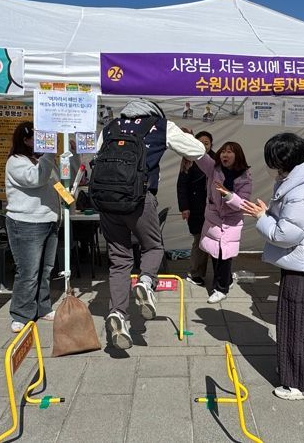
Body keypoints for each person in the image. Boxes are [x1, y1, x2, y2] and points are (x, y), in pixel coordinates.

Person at [97, 99, 205, 350]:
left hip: (107, 200)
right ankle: (146, 282)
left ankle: (117, 313)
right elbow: (198, 151)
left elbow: (98, 156)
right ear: (155, 112)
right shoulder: (161, 126)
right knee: (153, 246)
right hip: (140, 198)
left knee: (119, 259)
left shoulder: (111, 127)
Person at [240, 133, 304, 400]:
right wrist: (268, 213)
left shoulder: (300, 192)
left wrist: (261, 217)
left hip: (303, 268)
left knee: (300, 326)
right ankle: (293, 374)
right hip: (301, 264)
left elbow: (284, 235)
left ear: (281, 163)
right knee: (293, 323)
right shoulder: (298, 181)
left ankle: (302, 385)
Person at [4, 121, 79, 332]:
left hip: (49, 221)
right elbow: (35, 178)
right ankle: (21, 313)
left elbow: (63, 179)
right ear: (25, 140)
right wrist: (49, 154)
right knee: (28, 271)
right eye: (35, 138)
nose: (41, 141)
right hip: (25, 223)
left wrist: (73, 155)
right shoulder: (16, 161)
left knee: (45, 270)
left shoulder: (43, 160)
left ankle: (42, 307)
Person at [195, 141, 252, 304]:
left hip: (231, 222)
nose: (225, 155)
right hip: (214, 219)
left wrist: (228, 195)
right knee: (215, 252)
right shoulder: (214, 168)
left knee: (224, 255)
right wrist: (189, 139)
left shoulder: (245, 177)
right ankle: (226, 281)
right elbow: (199, 156)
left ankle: (221, 289)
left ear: (237, 155)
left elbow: (243, 204)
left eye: (229, 152)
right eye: (223, 152)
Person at [177, 130, 215, 287]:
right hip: (195, 207)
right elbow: (181, 185)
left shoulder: (217, 159)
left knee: (215, 239)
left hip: (214, 206)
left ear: (211, 144)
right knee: (199, 239)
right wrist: (184, 207)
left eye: (207, 143)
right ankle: (196, 273)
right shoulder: (189, 159)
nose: (204, 146)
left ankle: (220, 275)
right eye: (201, 142)